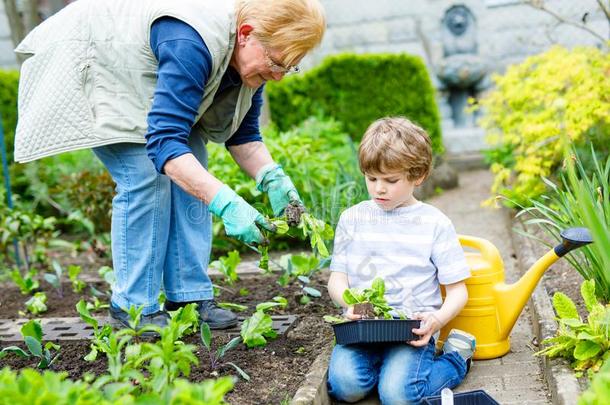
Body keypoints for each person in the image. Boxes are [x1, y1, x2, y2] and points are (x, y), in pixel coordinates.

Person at [13, 0, 325, 331]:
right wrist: (227, 203)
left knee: (194, 162)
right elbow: (163, 143)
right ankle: (132, 306)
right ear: (246, 34)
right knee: (146, 174)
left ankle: (188, 296)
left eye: (288, 68)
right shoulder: (190, 41)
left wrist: (272, 178)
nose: (277, 77)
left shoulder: (250, 63)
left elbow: (243, 137)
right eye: (277, 62)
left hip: (144, 81)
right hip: (97, 60)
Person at [326, 117, 476, 404]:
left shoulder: (434, 223)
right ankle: (388, 369)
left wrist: (437, 320)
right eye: (371, 178)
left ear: (417, 176)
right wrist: (349, 303)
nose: (379, 189)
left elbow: (458, 291)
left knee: (398, 397)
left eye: (391, 180)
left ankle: (456, 357)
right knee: (345, 386)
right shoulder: (352, 218)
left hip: (412, 330)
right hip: (364, 327)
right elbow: (337, 278)